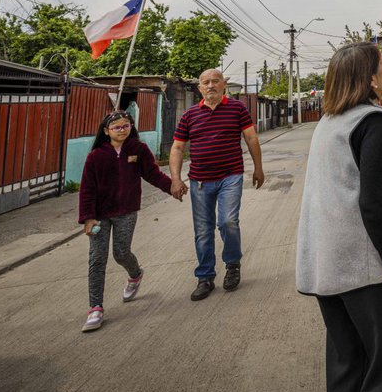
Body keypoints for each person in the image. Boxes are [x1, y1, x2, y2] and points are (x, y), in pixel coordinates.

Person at [296, 42, 382, 392]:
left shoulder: (329, 122)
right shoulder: (374, 120)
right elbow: (373, 202)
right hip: (363, 270)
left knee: (346, 365)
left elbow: (346, 174)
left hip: (326, 266)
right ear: (368, 78)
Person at [169, 68, 265, 301]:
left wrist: (258, 168)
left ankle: (232, 265)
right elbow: (178, 147)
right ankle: (205, 277)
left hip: (230, 176)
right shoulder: (189, 115)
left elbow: (251, 137)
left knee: (228, 222)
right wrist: (175, 178)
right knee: (203, 231)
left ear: (224, 84)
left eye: (215, 81)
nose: (210, 85)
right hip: (200, 181)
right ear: (199, 88)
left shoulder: (237, 109)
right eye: (206, 82)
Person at [77, 110, 175, 332]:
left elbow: (152, 174)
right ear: (106, 131)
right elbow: (87, 188)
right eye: (116, 127)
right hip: (99, 215)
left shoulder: (138, 149)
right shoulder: (96, 156)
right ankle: (95, 308)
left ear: (131, 127)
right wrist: (88, 217)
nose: (122, 130)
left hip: (126, 212)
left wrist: (172, 187)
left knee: (121, 253)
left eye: (126, 126)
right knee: (97, 259)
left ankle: (135, 274)